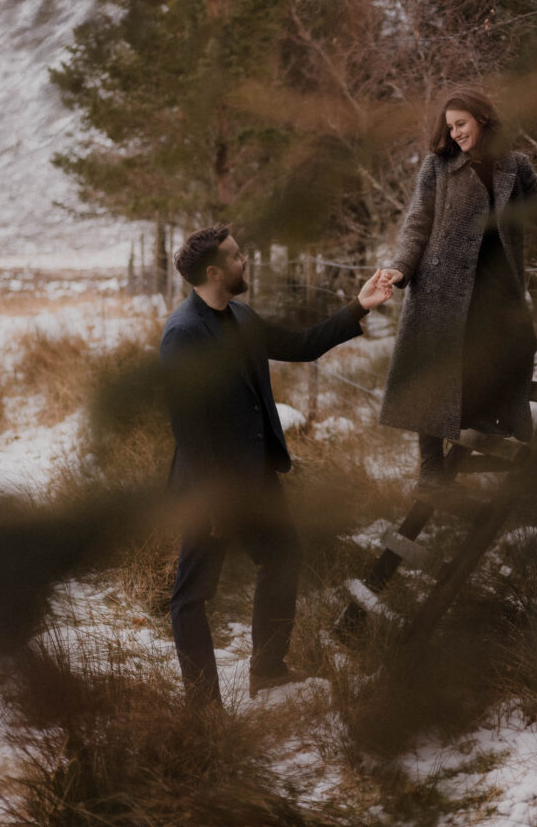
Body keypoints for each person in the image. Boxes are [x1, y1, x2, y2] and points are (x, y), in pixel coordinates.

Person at [160, 225, 391, 703]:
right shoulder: (183, 333)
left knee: (283, 558)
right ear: (214, 270)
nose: (247, 262)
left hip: (257, 477)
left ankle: (267, 670)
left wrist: (358, 307)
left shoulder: (242, 316)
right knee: (192, 595)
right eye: (238, 257)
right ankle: (203, 706)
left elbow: (302, 345)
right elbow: (189, 428)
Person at [378, 87, 537, 491]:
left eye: (461, 124)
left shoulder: (516, 167)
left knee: (504, 350)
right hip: (439, 286)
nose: (455, 134)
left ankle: (487, 422)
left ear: (483, 118)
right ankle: (431, 470)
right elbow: (417, 224)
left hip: (496, 288)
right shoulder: (437, 166)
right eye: (449, 128)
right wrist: (400, 269)